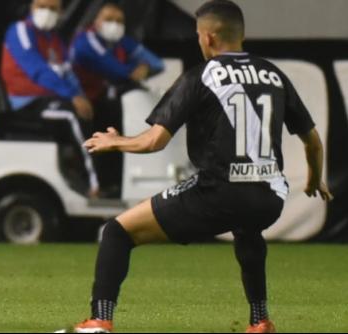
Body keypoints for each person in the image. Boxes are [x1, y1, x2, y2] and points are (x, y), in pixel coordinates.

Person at [70, 0, 333, 333]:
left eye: (198, 35)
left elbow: (154, 141)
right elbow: (313, 142)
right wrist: (313, 180)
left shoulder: (202, 76)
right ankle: (260, 320)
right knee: (248, 229)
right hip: (269, 198)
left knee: (117, 232)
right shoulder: (273, 74)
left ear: (208, 38)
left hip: (218, 194)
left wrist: (115, 141)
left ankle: (99, 320)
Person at [0, 0, 100, 197]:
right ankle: (93, 183)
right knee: (72, 115)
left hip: (51, 97)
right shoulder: (20, 30)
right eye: (42, 6)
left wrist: (80, 95)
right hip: (27, 101)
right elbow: (37, 70)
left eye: (53, 8)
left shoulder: (54, 39)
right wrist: (73, 97)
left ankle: (80, 172)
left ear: (61, 12)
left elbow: (68, 73)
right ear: (31, 8)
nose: (47, 12)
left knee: (91, 110)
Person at [70, 1, 164, 196]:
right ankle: (93, 185)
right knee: (103, 128)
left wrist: (145, 68)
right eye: (109, 20)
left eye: (119, 21)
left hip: (99, 101)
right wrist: (135, 70)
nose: (114, 24)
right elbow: (115, 70)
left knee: (118, 124)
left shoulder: (121, 41)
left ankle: (113, 184)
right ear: (96, 22)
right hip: (78, 100)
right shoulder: (86, 42)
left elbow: (157, 64)